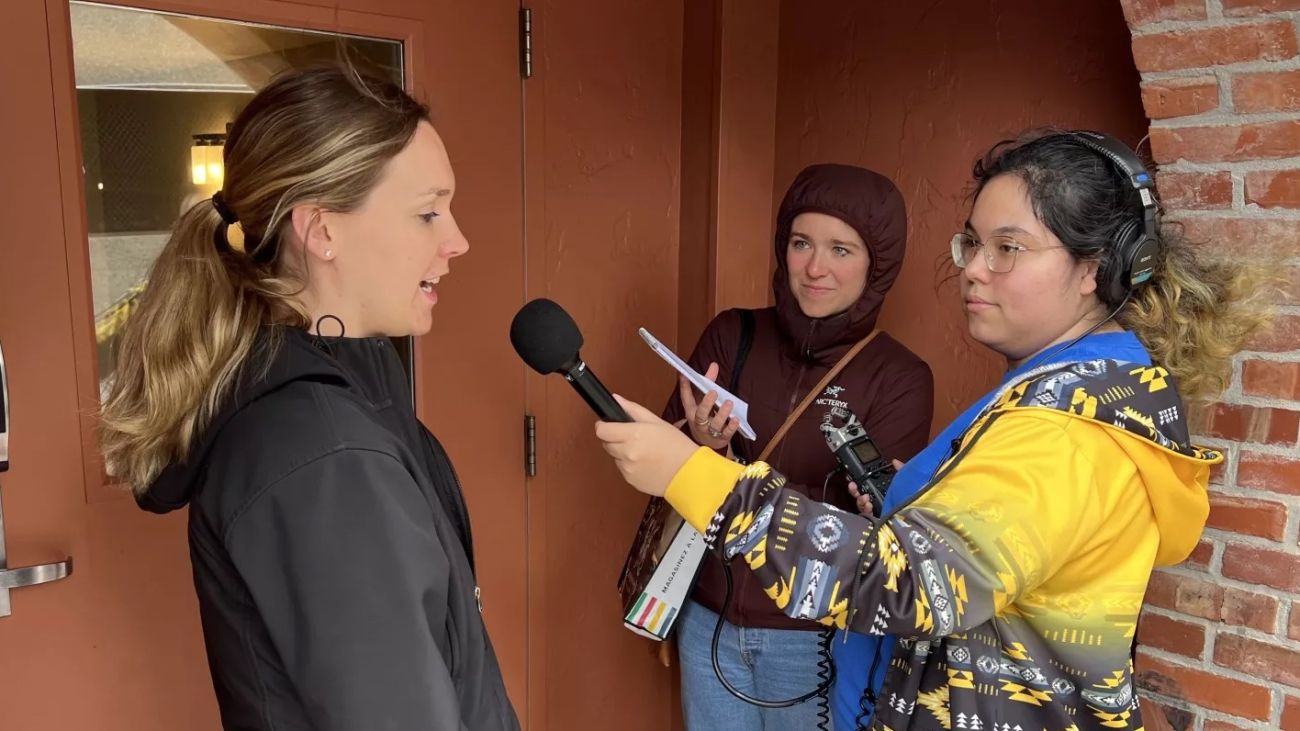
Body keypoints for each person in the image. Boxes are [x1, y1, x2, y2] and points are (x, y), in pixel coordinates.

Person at [597, 130, 1272, 731]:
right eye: (973, 243)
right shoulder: (1076, 391)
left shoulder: (1067, 431)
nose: (973, 268)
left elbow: (907, 585)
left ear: (1096, 268)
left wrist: (691, 472)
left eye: (1009, 247)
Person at [98, 66, 519, 731]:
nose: (456, 240)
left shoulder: (348, 400)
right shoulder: (320, 452)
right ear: (320, 231)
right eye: (427, 211)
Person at [661, 163, 933, 729]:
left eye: (841, 250)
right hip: (707, 615)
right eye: (801, 242)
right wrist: (698, 448)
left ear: (876, 266)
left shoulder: (900, 375)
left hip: (815, 640)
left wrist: (727, 473)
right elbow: (664, 464)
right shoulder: (732, 334)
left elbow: (867, 526)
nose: (814, 268)